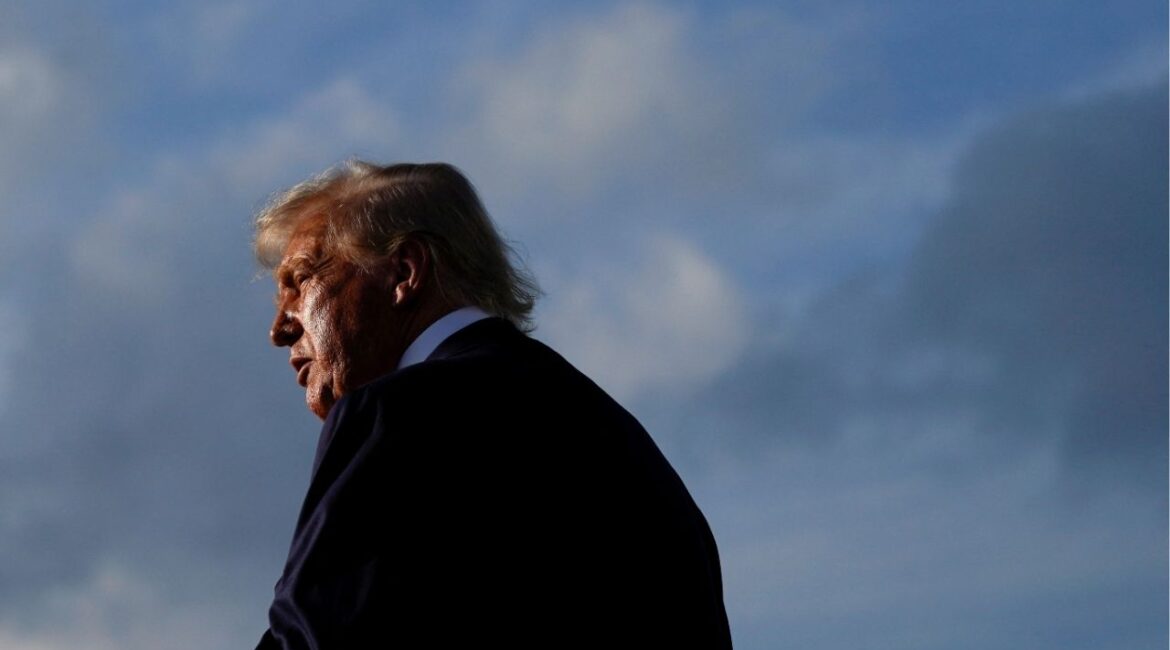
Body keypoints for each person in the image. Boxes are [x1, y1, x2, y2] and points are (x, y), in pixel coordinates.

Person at [252, 161, 733, 648]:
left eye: (302, 279)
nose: (280, 328)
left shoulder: (399, 414)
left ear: (404, 272)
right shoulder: (614, 435)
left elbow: (315, 637)